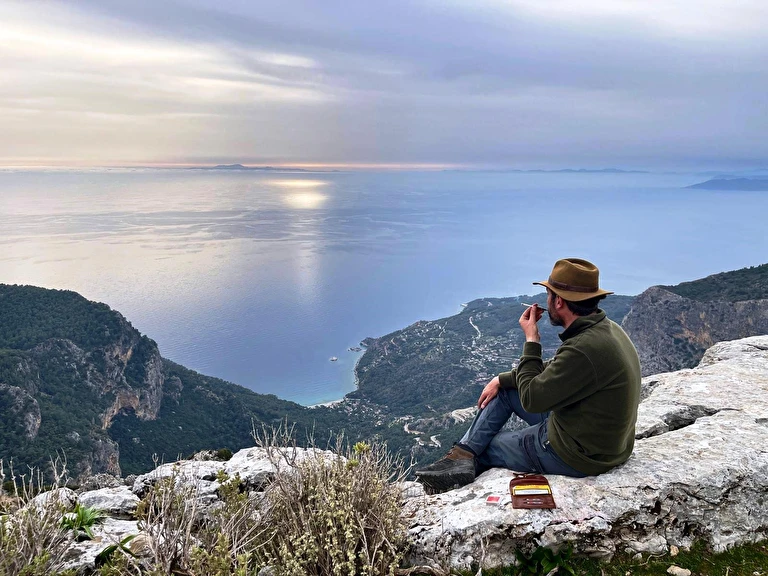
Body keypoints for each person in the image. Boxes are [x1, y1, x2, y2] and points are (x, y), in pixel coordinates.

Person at [415, 258, 641, 493]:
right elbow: (554, 370)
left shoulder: (584, 347)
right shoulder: (607, 329)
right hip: (596, 437)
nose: (547, 300)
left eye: (548, 294)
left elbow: (532, 400)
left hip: (577, 454)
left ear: (559, 301)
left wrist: (532, 339)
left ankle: (461, 468)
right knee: (505, 392)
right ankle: (461, 455)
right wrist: (501, 380)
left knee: (486, 446)